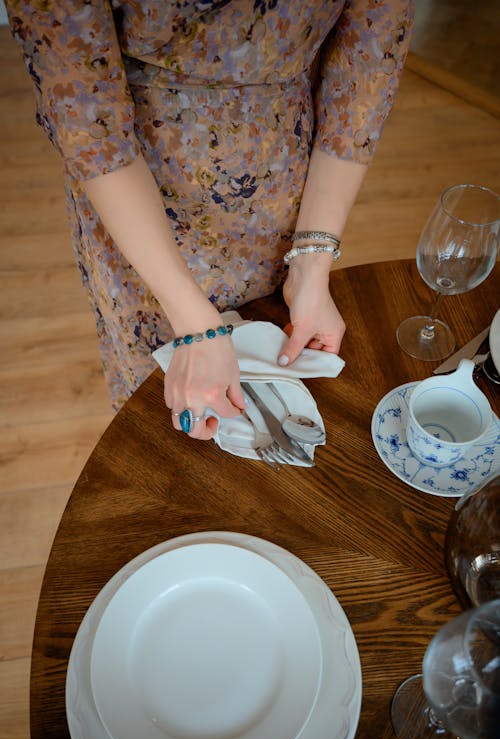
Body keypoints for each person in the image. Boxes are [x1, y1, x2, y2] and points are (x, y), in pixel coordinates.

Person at [6, 0, 414, 440]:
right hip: (139, 195)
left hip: (284, 186)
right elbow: (86, 115)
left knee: (271, 392)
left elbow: (368, 69)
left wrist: (311, 266)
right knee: (160, 400)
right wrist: (194, 326)